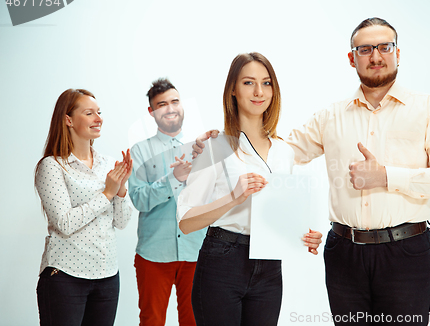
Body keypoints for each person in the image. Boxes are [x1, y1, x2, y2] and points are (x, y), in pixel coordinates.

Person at [193, 18, 430, 325]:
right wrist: (221, 145)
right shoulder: (330, 117)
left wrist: (386, 176)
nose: (376, 56)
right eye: (365, 49)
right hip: (344, 255)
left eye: (384, 47)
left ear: (398, 53)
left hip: (406, 253)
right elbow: (275, 152)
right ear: (352, 58)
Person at [177, 52, 323, 326]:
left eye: (266, 83)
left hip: (269, 267)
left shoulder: (284, 151)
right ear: (232, 89)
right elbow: (185, 222)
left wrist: (304, 234)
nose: (259, 92)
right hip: (222, 262)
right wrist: (234, 197)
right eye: (248, 83)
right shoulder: (214, 147)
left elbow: (279, 214)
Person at [34, 88, 133, 326]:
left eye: (99, 112)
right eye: (89, 113)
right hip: (65, 277)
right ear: (68, 120)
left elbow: (121, 222)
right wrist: (107, 192)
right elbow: (65, 223)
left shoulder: (109, 164)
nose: (98, 119)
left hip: (107, 276)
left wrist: (120, 191)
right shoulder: (52, 166)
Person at [128, 78, 205, 326]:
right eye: (162, 104)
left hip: (197, 252)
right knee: (151, 321)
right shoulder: (139, 151)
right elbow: (139, 199)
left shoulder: (202, 148)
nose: (170, 108)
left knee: (194, 321)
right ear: (151, 112)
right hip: (154, 255)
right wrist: (173, 178)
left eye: (175, 101)